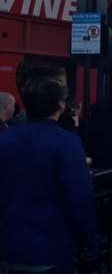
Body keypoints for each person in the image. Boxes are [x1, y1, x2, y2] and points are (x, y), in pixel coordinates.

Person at [0, 67, 98, 273]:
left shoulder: (5, 138)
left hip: (9, 245)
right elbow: (80, 198)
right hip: (51, 247)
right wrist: (89, 242)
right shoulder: (68, 143)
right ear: (60, 105)